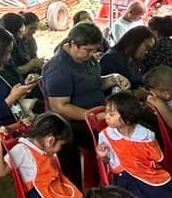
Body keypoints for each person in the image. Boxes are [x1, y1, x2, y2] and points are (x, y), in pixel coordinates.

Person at [40, 22, 125, 181]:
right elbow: (59, 106)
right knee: (116, 140)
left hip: (96, 115)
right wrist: (93, 116)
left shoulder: (87, 59)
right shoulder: (59, 68)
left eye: (94, 50)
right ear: (72, 44)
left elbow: (95, 83)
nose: (92, 54)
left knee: (131, 126)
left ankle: (119, 177)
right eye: (88, 50)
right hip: (72, 124)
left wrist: (113, 79)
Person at [0, 113, 83, 198]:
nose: (60, 149)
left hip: (56, 195)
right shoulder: (22, 150)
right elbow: (0, 171)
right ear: (50, 140)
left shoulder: (42, 148)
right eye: (61, 145)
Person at [100, 24, 154, 90]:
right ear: (136, 41)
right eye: (146, 47)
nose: (147, 52)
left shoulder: (136, 60)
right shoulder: (111, 59)